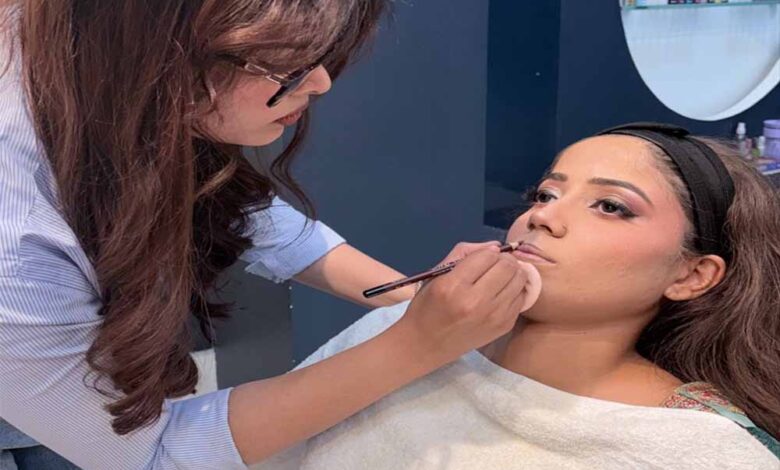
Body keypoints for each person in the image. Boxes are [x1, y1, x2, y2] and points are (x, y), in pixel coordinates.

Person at [0, 1, 538, 468]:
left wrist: (416, 299)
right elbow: (151, 452)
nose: (321, 82)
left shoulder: (99, 67)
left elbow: (246, 215)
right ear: (168, 55)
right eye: (291, 66)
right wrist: (415, 343)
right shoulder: (15, 236)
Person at [260, 123, 780, 469]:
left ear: (692, 275)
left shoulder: (704, 452)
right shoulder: (402, 333)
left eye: (610, 206)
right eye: (546, 194)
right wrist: (414, 336)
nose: (543, 215)